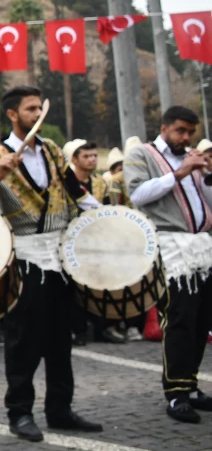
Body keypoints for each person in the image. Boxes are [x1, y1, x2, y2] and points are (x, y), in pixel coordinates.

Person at [0, 86, 102, 442]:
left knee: (61, 340)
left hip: (60, 256)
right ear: (13, 114)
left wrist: (108, 220)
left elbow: (76, 191)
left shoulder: (52, 150)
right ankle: (20, 412)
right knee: (23, 341)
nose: (37, 115)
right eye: (31, 109)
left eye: (38, 109)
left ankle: (60, 409)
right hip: (25, 258)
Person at [124, 106, 212, 424]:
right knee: (179, 320)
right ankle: (175, 392)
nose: (186, 138)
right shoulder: (141, 154)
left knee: (202, 321)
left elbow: (204, 201)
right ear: (164, 129)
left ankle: (190, 385)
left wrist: (205, 176)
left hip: (202, 248)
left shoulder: (191, 157)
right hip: (171, 249)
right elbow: (137, 194)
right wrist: (178, 174)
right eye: (180, 131)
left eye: (190, 132)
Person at [62, 140, 126, 346]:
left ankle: (103, 327)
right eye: (86, 156)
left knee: (101, 284)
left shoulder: (100, 183)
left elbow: (106, 209)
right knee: (74, 286)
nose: (91, 160)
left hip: (96, 239)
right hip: (71, 239)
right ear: (74, 159)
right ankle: (77, 329)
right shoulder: (64, 183)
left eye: (94, 156)